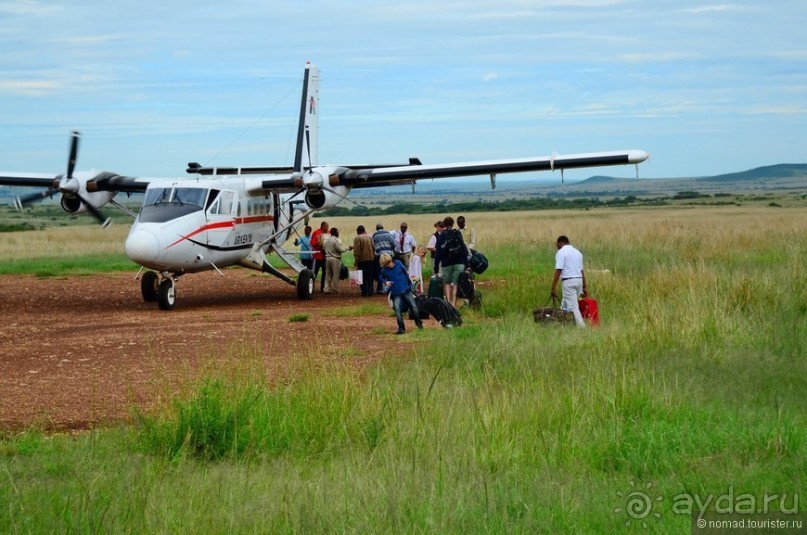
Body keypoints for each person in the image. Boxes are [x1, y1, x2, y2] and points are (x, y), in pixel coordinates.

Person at [378, 253, 423, 335]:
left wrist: (410, 284)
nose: (388, 265)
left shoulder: (398, 263)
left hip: (406, 289)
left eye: (388, 263)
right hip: (396, 292)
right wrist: (386, 282)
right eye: (385, 265)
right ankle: (401, 327)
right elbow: (380, 277)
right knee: (397, 309)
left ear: (391, 260)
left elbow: (406, 273)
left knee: (414, 306)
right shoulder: (385, 270)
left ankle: (418, 323)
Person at [550, 235, 587, 328]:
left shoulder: (561, 252)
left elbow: (558, 270)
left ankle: (582, 328)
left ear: (560, 242)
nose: (556, 246)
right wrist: (584, 287)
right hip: (579, 281)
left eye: (557, 244)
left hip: (568, 282)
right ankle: (562, 325)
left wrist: (553, 287)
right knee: (565, 304)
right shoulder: (578, 253)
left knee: (573, 307)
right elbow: (582, 271)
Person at [434, 216, 468, 307]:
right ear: (453, 224)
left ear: (444, 224)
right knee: (456, 283)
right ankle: (453, 303)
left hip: (446, 262)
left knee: (447, 282)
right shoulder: (457, 233)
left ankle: (448, 302)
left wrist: (436, 267)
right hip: (459, 261)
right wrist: (467, 263)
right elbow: (463, 248)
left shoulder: (441, 235)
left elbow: (438, 252)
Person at [323, 227, 351, 294]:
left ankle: (326, 289)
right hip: (335, 258)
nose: (338, 233)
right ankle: (335, 289)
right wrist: (348, 248)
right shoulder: (336, 240)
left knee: (328, 274)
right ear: (335, 232)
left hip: (327, 258)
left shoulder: (326, 240)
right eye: (337, 232)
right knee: (336, 274)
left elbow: (324, 248)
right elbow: (340, 249)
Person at [353, 225, 375, 297]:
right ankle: (370, 292)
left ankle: (364, 292)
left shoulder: (357, 238)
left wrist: (356, 260)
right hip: (370, 260)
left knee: (362, 277)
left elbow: (357, 251)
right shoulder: (369, 237)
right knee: (370, 276)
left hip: (361, 260)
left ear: (358, 231)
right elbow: (373, 247)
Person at [372, 223, 395, 293]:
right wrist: (391, 249)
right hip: (388, 255)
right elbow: (393, 243)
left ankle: (379, 288)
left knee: (380, 272)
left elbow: (372, 245)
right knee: (389, 270)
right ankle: (389, 288)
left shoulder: (375, 235)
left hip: (380, 255)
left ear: (376, 228)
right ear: (383, 227)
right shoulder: (388, 234)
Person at [310, 221, 329, 292]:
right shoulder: (317, 233)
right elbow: (312, 243)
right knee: (314, 273)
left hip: (325, 257)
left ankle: (323, 288)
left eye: (328, 226)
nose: (327, 228)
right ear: (322, 226)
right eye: (326, 226)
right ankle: (310, 287)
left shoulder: (329, 233)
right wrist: (318, 244)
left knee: (325, 273)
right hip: (317, 257)